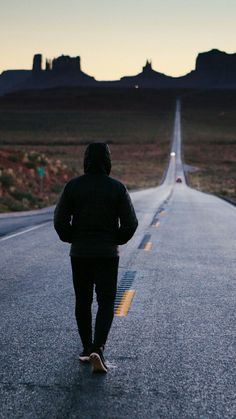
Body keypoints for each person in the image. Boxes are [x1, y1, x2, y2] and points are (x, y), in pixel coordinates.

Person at [54, 143, 138, 373]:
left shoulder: (73, 187)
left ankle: (85, 348)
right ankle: (98, 348)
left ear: (86, 160)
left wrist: (73, 238)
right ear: (107, 161)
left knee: (83, 300)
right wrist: (116, 240)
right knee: (106, 300)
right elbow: (131, 223)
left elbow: (59, 221)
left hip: (80, 253)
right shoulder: (117, 188)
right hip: (107, 255)